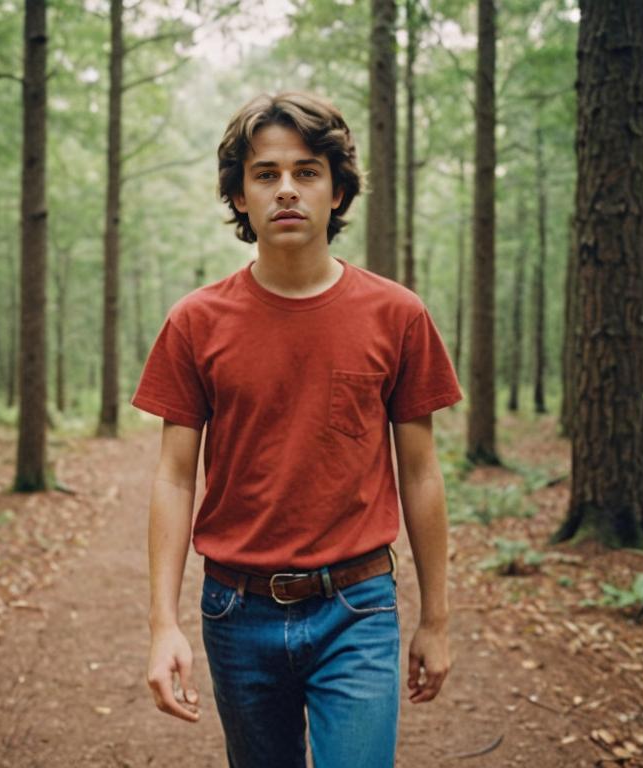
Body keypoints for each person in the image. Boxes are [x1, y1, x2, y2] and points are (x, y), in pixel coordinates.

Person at [131, 91, 463, 768]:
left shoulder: (397, 316)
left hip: (359, 608)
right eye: (266, 173)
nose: (287, 189)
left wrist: (435, 617)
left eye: (307, 171)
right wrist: (163, 623)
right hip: (236, 610)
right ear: (240, 197)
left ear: (337, 192)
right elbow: (172, 475)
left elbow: (421, 473)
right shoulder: (196, 322)